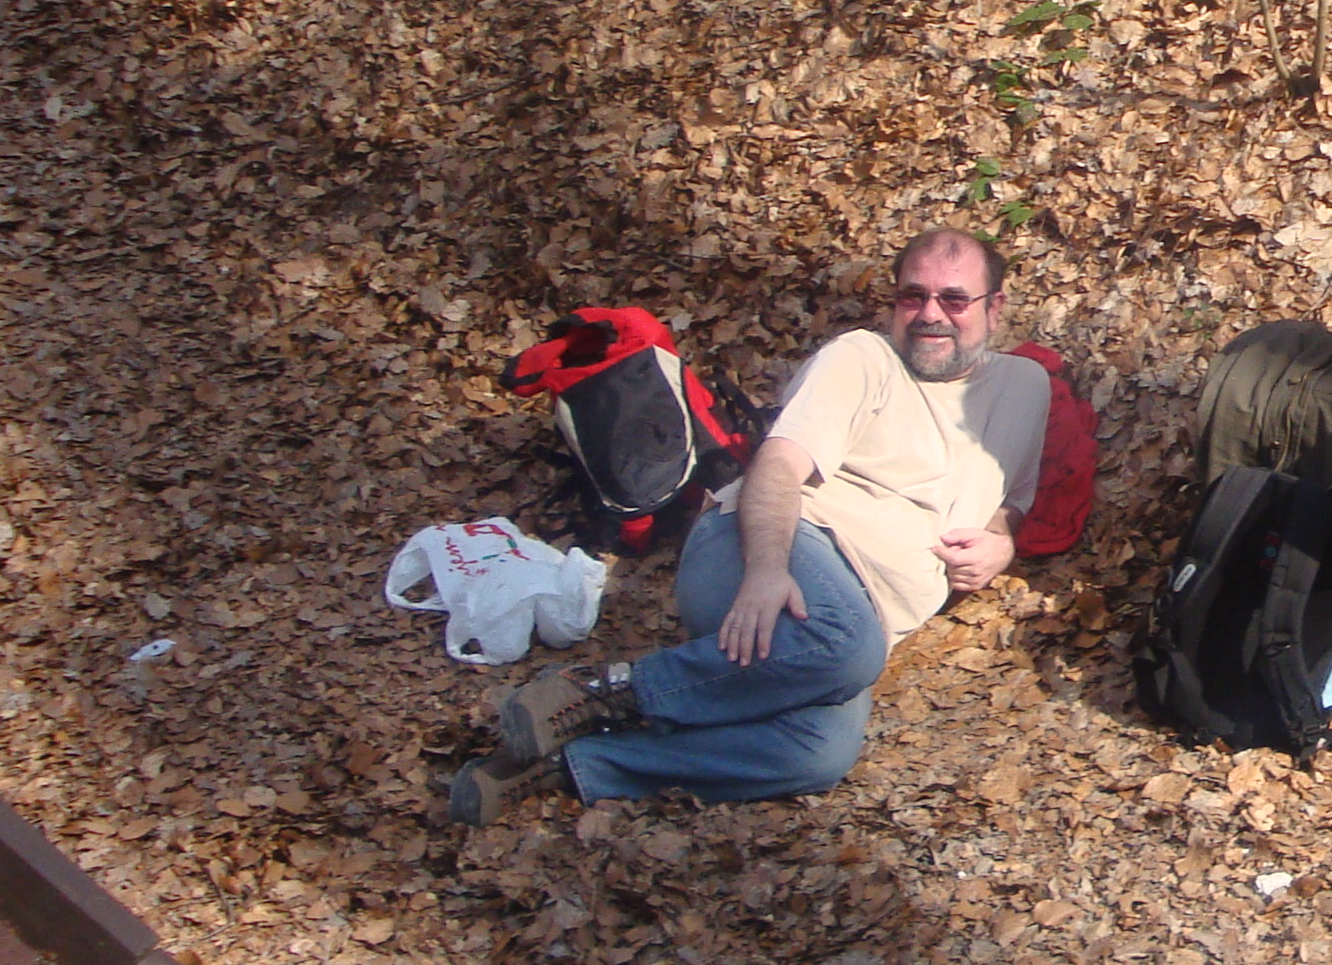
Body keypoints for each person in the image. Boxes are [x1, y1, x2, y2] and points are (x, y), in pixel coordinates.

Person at [447, 228, 1053, 822]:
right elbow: (778, 466)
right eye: (912, 296)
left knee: (819, 753)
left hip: (861, 620)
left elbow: (1011, 502)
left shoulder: (1026, 386)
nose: (930, 315)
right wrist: (766, 570)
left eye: (953, 299)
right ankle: (602, 693)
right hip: (771, 544)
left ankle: (575, 764)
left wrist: (1001, 543)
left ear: (994, 308)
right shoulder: (862, 358)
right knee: (848, 645)